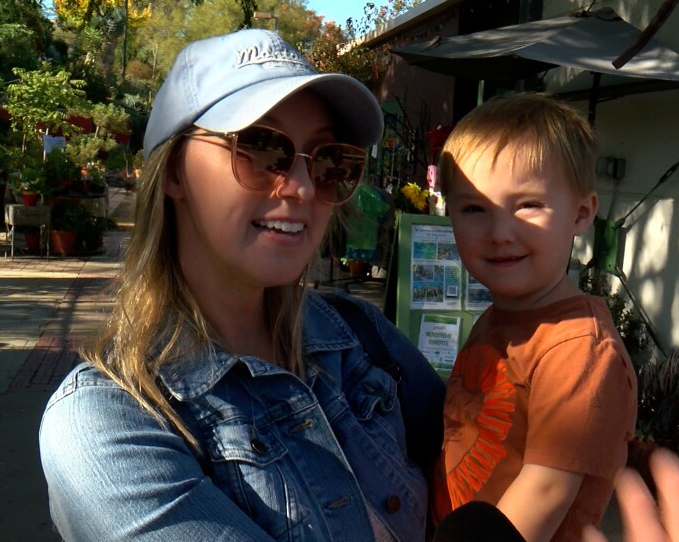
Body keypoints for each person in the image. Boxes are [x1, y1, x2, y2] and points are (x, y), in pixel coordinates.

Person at [38, 28, 445, 541]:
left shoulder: (360, 336)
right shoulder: (107, 424)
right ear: (173, 174)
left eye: (327, 159)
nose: (299, 186)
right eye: (260, 146)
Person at [431, 92, 638, 542]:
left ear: (581, 214)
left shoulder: (577, 350)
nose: (500, 233)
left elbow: (544, 490)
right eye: (473, 209)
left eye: (527, 205)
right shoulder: (502, 316)